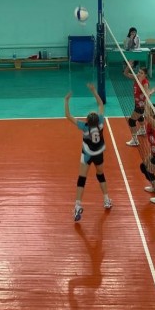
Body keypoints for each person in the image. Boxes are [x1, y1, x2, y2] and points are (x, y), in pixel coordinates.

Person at [64, 83, 112, 222]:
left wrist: (66, 101)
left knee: (82, 178)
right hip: (99, 153)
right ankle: (106, 199)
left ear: (87, 121)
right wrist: (94, 91)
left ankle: (78, 205)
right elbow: (101, 104)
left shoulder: (84, 127)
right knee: (100, 175)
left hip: (87, 154)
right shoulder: (101, 122)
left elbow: (68, 116)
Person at [124, 65, 155, 146]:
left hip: (141, 105)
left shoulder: (145, 83)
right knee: (139, 117)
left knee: (131, 121)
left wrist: (151, 92)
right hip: (137, 103)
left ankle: (135, 140)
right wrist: (129, 65)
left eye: (141, 73)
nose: (139, 73)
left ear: (145, 75)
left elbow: (147, 95)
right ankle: (142, 129)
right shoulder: (136, 78)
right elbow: (125, 73)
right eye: (138, 72)